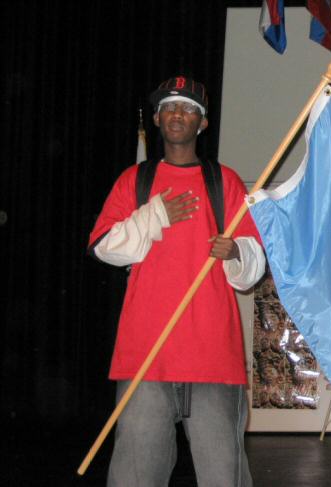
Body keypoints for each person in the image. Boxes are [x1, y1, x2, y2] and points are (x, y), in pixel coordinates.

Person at [88, 75, 265, 487]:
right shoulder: (135, 181)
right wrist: (155, 216)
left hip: (212, 355)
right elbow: (103, 246)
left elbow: (253, 267)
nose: (177, 114)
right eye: (169, 106)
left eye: (188, 108)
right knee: (135, 475)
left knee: (225, 476)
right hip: (146, 354)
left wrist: (237, 252)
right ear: (156, 117)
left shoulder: (226, 182)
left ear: (202, 123)